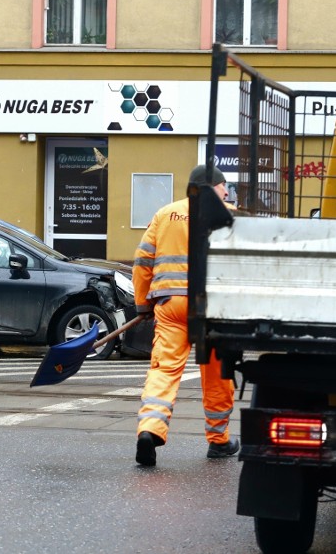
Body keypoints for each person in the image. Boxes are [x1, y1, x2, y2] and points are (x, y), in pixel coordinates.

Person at [132, 164, 239, 467]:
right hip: (214, 308)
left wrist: (143, 303)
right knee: (217, 373)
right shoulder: (231, 215)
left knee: (164, 369)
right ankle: (218, 441)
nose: (226, 192)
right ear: (215, 187)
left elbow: (142, 261)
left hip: (172, 304)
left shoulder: (166, 214)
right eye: (223, 186)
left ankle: (150, 429)